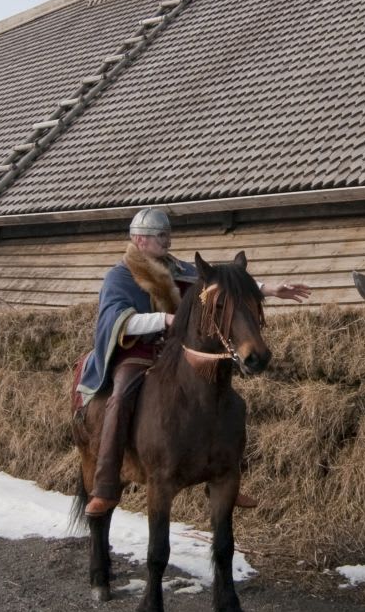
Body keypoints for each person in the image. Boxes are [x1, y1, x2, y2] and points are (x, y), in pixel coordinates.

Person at [79, 206, 310, 516]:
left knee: (226, 396)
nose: (167, 241)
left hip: (176, 351)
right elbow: (115, 322)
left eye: (168, 234)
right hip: (137, 352)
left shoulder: (179, 268)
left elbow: (220, 288)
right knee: (119, 398)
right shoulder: (121, 275)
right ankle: (106, 485)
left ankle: (226, 473)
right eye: (160, 235)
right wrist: (164, 319)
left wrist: (268, 289)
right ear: (138, 239)